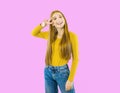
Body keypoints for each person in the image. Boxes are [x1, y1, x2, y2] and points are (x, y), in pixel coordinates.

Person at [31, 10, 79, 93]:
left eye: (60, 16)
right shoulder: (50, 35)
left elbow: (76, 59)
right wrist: (44, 24)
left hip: (63, 73)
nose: (58, 20)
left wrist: (70, 80)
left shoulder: (72, 36)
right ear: (52, 23)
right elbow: (33, 33)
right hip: (48, 71)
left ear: (64, 19)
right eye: (55, 18)